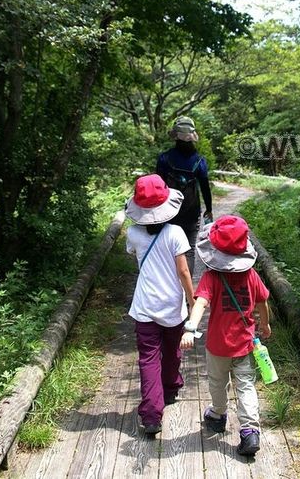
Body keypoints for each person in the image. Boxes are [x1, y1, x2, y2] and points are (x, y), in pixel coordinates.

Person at [180, 214, 271, 457]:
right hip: (244, 344)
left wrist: (191, 327)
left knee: (217, 383)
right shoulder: (251, 275)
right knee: (246, 386)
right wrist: (266, 325)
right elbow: (262, 302)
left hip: (218, 346)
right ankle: (250, 432)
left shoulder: (212, 277)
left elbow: (200, 304)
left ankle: (218, 415)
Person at [125, 173, 196, 436]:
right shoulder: (176, 233)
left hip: (144, 305)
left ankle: (152, 416)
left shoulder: (133, 233)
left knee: (148, 359)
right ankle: (171, 387)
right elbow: (184, 271)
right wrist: (192, 301)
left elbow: (134, 254)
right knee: (172, 349)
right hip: (172, 305)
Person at [155, 116, 213, 275]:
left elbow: (158, 186)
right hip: (191, 211)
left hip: (168, 211)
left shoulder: (164, 158)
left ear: (176, 137)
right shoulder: (199, 161)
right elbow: (205, 187)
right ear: (192, 138)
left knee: (167, 248)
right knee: (189, 250)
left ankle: (169, 287)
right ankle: (186, 292)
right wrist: (209, 209)